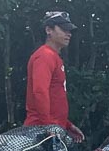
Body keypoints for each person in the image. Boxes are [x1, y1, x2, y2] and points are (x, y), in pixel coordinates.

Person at [24, 10, 83, 142]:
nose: (68, 33)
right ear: (48, 30)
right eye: (63, 29)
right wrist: (47, 126)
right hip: (40, 132)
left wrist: (67, 124)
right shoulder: (45, 56)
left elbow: (54, 97)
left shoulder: (54, 57)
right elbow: (40, 92)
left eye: (69, 30)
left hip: (54, 129)